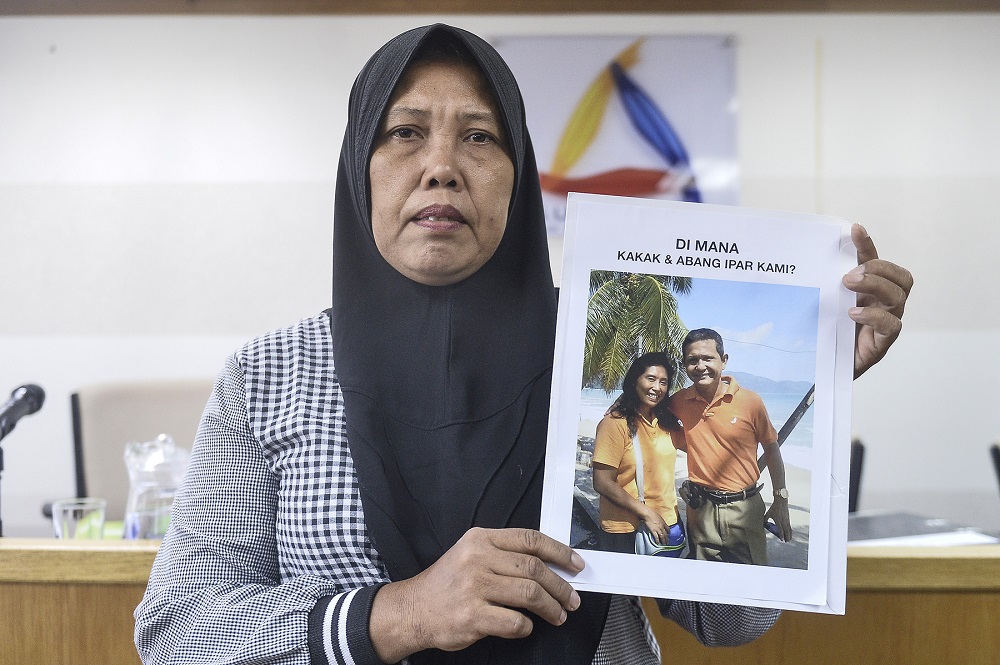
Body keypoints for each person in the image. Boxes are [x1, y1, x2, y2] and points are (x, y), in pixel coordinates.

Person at [134, 23, 913, 665]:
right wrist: (397, 614)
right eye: (404, 133)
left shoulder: (603, 362)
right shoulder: (270, 374)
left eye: (479, 137)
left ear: (518, 176)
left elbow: (726, 622)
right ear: (357, 172)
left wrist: (819, 382)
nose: (440, 167)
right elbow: (176, 628)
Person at [670, 328, 787, 565]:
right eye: (692, 360)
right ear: (684, 365)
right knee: (705, 584)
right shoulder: (678, 402)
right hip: (700, 510)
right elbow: (648, 416)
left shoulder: (750, 402)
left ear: (723, 361)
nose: (700, 366)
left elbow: (772, 449)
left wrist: (780, 499)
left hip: (744, 509)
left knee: (752, 583)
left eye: (708, 358)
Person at [591, 352, 682, 555]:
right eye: (650, 379)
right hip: (625, 530)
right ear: (634, 380)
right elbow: (602, 482)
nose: (656, 388)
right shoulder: (615, 423)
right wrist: (648, 514)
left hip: (668, 523)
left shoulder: (666, 422)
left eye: (663, 382)